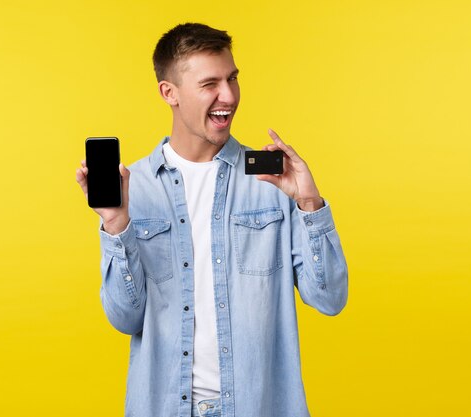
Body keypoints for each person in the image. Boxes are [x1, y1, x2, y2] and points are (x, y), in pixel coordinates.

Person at [76, 23, 348, 417]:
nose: (229, 96)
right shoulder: (134, 189)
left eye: (233, 78)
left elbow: (329, 299)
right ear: (169, 93)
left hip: (260, 406)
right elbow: (124, 318)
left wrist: (309, 203)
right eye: (210, 84)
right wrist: (118, 225)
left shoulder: (272, 178)